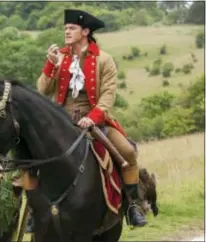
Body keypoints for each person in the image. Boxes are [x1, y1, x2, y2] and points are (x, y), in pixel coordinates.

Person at [36, 9, 147, 227]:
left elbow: (107, 96)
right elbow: (42, 90)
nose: (66, 32)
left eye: (72, 28)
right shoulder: (59, 57)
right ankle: (35, 209)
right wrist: (51, 64)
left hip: (95, 119)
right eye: (65, 28)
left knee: (127, 152)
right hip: (62, 121)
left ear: (85, 31)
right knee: (33, 153)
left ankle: (132, 205)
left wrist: (93, 118)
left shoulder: (104, 60)